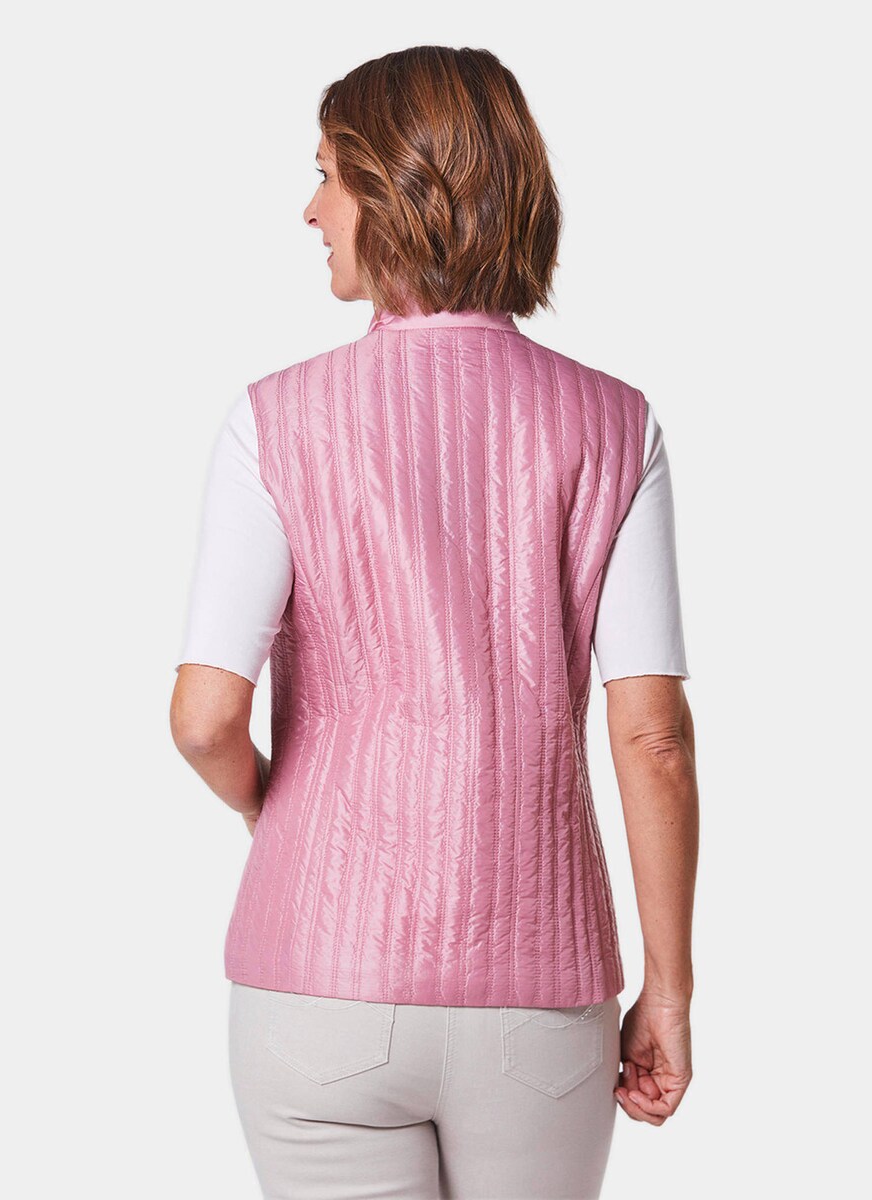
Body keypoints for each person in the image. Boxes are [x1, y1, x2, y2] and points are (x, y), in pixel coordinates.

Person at [170, 44, 698, 1200]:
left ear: (397, 188)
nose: (311, 210)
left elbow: (205, 719)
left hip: (315, 979)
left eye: (328, 174)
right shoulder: (616, 425)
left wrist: (274, 812)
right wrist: (668, 988)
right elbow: (653, 738)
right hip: (541, 991)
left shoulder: (273, 422)